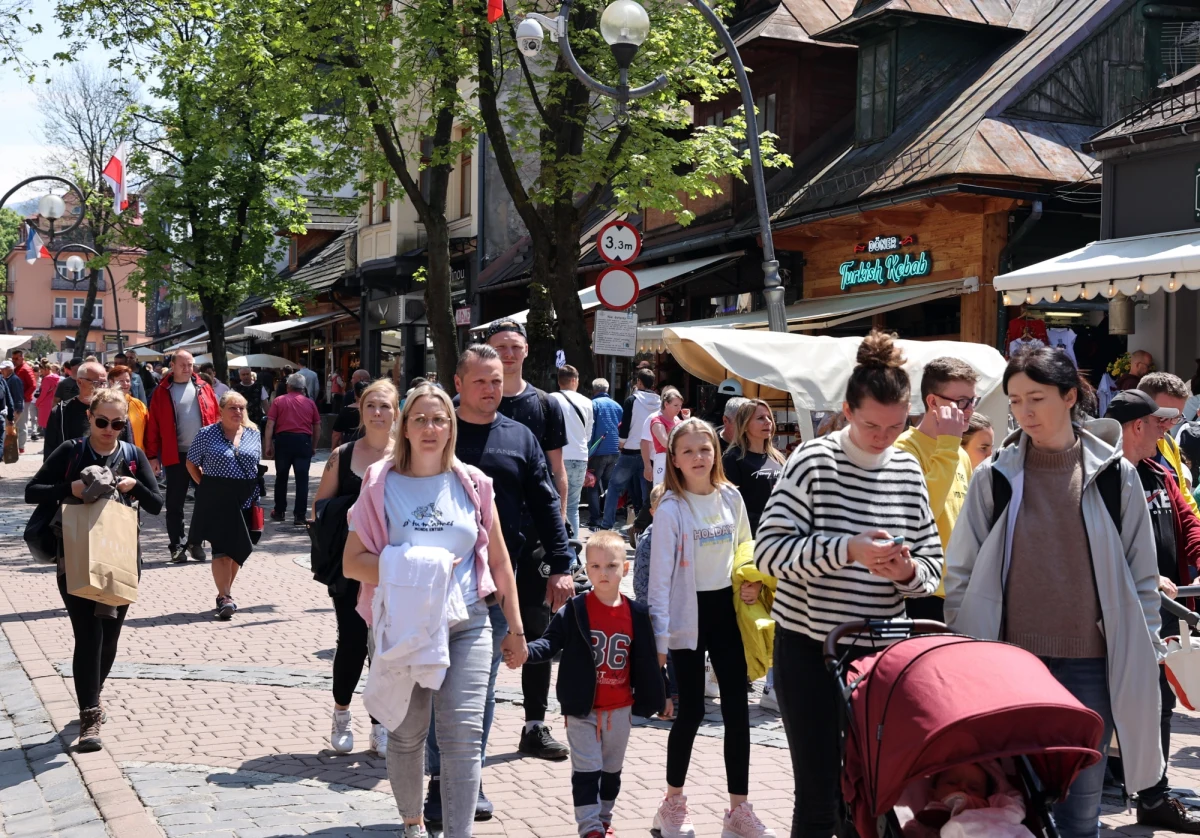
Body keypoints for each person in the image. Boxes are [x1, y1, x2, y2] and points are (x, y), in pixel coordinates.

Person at [945, 347, 1164, 838]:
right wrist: (966, 649)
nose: (1024, 412)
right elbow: (960, 572)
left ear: (1069, 397)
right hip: (1011, 668)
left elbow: (1142, 576)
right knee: (1012, 806)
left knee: (1080, 815)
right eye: (1016, 400)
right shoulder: (994, 476)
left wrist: (1143, 645)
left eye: (1036, 398)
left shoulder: (1114, 475)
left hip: (1093, 666)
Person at [755, 330, 944, 838]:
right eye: (871, 425)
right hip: (810, 651)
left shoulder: (907, 467)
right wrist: (848, 549)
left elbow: (931, 564)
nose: (884, 437)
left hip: (881, 658)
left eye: (895, 425)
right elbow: (768, 554)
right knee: (819, 799)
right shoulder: (813, 461)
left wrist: (905, 572)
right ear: (846, 409)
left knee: (877, 795)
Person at [342, 383, 528, 838]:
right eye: (420, 418)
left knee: (463, 738)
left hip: (467, 620)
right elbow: (352, 562)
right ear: (404, 427)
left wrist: (517, 628)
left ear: (452, 427)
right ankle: (412, 823)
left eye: (439, 419)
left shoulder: (473, 483)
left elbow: (499, 560)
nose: (430, 427)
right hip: (402, 624)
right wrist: (415, 569)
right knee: (407, 735)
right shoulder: (380, 483)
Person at [422, 345, 574, 826]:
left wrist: (562, 561)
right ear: (458, 383)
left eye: (497, 379)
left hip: (495, 581)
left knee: (478, 690)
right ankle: (438, 779)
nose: (491, 388)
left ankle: (463, 779)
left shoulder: (521, 436)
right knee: (433, 682)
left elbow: (547, 502)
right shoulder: (438, 431)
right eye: (481, 380)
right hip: (434, 583)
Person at [646, 416, 773, 838]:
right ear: (675, 460)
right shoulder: (671, 508)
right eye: (688, 451)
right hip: (687, 613)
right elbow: (660, 580)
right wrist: (659, 641)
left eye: (705, 449)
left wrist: (751, 580)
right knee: (693, 711)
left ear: (716, 452)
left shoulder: (730, 497)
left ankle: (738, 810)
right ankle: (672, 804)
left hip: (726, 611)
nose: (699, 457)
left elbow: (744, 549)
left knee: (737, 710)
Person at [25, 388, 163, 751]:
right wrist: (68, 487)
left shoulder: (132, 455)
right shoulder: (72, 450)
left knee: (111, 636)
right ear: (90, 417)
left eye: (117, 423)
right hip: (74, 555)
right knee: (88, 634)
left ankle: (93, 693)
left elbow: (157, 504)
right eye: (102, 421)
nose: (109, 429)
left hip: (119, 555)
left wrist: (135, 487)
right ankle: (90, 715)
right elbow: (31, 491)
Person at [518, 530, 664, 838]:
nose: (603, 573)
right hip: (581, 708)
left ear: (625, 569)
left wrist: (660, 696)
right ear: (585, 568)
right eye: (595, 566)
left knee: (610, 771)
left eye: (611, 566)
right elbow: (549, 642)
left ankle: (604, 819)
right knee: (587, 769)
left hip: (619, 709)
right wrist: (526, 652)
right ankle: (591, 829)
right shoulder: (575, 610)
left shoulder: (635, 613)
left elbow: (648, 662)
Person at [1104, 389, 1200, 831]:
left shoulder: (1159, 472)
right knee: (1106, 701)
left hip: (1160, 609)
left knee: (1159, 700)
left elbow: (1186, 522)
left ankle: (1153, 792)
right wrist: (1142, 575)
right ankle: (1102, 786)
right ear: (1135, 427)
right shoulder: (1104, 476)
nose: (1167, 430)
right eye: (1159, 423)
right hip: (1116, 611)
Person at [312, 378, 399, 759]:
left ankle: (381, 724)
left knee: (386, 648)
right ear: (361, 411)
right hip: (351, 565)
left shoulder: (408, 455)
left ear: (397, 412)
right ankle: (342, 712)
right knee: (351, 641)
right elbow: (318, 507)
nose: (378, 413)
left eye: (386, 406)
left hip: (394, 566)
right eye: (371, 406)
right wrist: (355, 510)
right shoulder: (344, 455)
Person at [894, 357, 979, 622]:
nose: (968, 411)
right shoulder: (903, 449)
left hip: (959, 591)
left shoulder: (959, 453)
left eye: (973, 401)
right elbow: (922, 517)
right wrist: (948, 446)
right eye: (961, 402)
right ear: (932, 402)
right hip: (919, 594)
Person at [185, 391, 263, 620]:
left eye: (241, 407)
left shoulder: (253, 433)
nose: (238, 412)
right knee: (221, 551)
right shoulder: (207, 434)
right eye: (233, 407)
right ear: (221, 410)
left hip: (246, 498)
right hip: (217, 498)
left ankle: (225, 593)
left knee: (237, 549)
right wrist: (206, 487)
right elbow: (191, 463)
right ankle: (225, 596)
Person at [483, 321, 569, 520]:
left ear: (526, 350)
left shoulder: (547, 404)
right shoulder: (465, 404)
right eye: (500, 348)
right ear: (487, 350)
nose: (509, 354)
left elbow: (557, 469)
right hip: (476, 518)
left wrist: (561, 517)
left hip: (534, 522)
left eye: (516, 347)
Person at [145, 350, 220, 563]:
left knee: (205, 500)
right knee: (175, 503)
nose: (187, 369)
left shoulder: (204, 388)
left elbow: (215, 418)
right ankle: (176, 545)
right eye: (183, 365)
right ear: (173, 365)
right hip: (175, 455)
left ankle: (195, 542)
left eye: (190, 365)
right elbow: (153, 426)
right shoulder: (162, 391)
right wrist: (152, 456)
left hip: (203, 455)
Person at [601, 369, 660, 530]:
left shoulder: (632, 400)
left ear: (640, 382)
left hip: (630, 451)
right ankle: (644, 526)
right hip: (650, 453)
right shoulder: (660, 402)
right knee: (647, 493)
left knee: (614, 486)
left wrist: (621, 442)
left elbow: (625, 425)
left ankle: (607, 525)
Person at [1139, 372, 1200, 519]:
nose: (1167, 425)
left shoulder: (1168, 443)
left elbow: (1184, 496)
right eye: (1162, 415)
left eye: (1176, 418)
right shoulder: (1117, 446)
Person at [263, 372, 321, 525]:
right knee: (302, 479)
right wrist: (314, 446)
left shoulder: (278, 401)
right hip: (303, 442)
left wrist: (268, 444)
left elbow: (270, 424)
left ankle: (280, 511)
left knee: (281, 477)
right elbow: (317, 427)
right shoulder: (310, 403)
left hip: (284, 441)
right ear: (303, 388)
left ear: (288, 386)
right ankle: (300, 515)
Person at [721, 399, 785, 535]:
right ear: (744, 425)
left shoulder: (777, 457)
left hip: (781, 533)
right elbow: (729, 505)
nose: (768, 421)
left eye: (769, 417)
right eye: (760, 418)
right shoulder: (733, 458)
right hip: (751, 536)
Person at [549, 365, 593, 537]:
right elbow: (588, 435)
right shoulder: (587, 402)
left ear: (559, 381)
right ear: (575, 380)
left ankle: (555, 548)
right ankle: (573, 551)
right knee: (573, 506)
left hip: (557, 457)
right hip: (580, 457)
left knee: (555, 505)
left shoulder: (550, 399)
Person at [44, 361, 108, 460]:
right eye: (96, 382)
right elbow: (50, 451)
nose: (102, 387)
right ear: (79, 382)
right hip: (72, 471)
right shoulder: (61, 412)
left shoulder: (114, 410)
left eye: (104, 383)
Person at [586, 378, 622, 529]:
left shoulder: (592, 405)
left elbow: (590, 430)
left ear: (594, 390)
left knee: (592, 485)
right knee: (610, 486)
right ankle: (609, 518)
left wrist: (587, 451)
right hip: (615, 450)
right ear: (606, 389)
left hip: (598, 450)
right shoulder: (618, 406)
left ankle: (595, 519)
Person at [647, 387, 684, 487]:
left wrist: (687, 420)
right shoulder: (657, 420)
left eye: (680, 405)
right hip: (663, 460)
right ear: (666, 404)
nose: (679, 408)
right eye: (675, 405)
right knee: (662, 493)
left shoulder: (678, 421)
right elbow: (665, 442)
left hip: (678, 460)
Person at [107, 365, 149, 449]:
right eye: (121, 381)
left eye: (127, 381)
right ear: (111, 382)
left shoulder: (138, 405)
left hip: (137, 456)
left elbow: (149, 433)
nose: (125, 384)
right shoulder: (104, 404)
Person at [333, 370, 373, 448]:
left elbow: (337, 432)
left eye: (353, 378)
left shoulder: (349, 398)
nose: (351, 380)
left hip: (351, 440)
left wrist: (334, 446)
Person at [11, 349, 36, 447]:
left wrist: (23, 397)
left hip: (23, 401)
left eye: (16, 358)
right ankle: (17, 446)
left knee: (21, 424)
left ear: (22, 358)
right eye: (13, 358)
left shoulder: (25, 368)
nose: (14, 360)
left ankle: (21, 446)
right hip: (17, 400)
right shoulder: (17, 368)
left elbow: (33, 385)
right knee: (15, 423)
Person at [1, 360, 26, 453]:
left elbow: (18, 396)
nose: (2, 371)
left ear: (9, 369)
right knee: (8, 430)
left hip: (14, 409)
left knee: (9, 430)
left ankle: (9, 452)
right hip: (10, 409)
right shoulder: (8, 379)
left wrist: (16, 411)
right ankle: (8, 452)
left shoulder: (15, 380)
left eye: (4, 369)